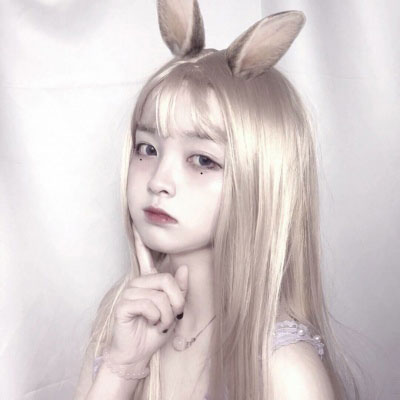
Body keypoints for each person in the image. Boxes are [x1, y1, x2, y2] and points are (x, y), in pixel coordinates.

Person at [73, 0, 361, 399]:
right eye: (147, 148)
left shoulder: (283, 369)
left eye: (203, 160)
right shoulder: (121, 320)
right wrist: (122, 368)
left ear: (259, 178)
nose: (159, 181)